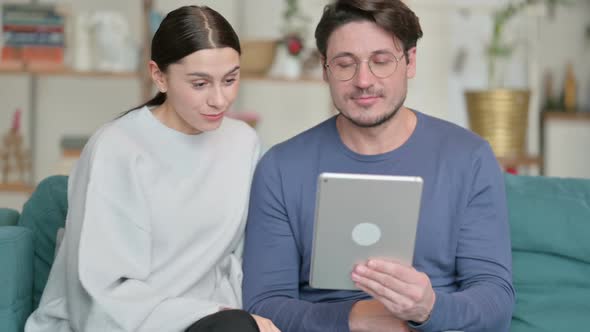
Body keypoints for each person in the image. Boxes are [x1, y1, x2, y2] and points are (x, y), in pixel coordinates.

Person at [242, 0, 515, 331]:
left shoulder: (469, 157)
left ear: (410, 62)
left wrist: (428, 308)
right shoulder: (280, 167)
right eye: (345, 64)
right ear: (326, 69)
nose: (363, 80)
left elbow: (495, 300)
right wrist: (355, 318)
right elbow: (263, 304)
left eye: (381, 61)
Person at [25, 5, 279, 332]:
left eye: (230, 79)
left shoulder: (243, 143)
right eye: (200, 84)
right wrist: (209, 315)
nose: (220, 99)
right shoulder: (116, 148)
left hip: (214, 320)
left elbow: (243, 259)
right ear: (159, 75)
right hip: (121, 321)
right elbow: (101, 291)